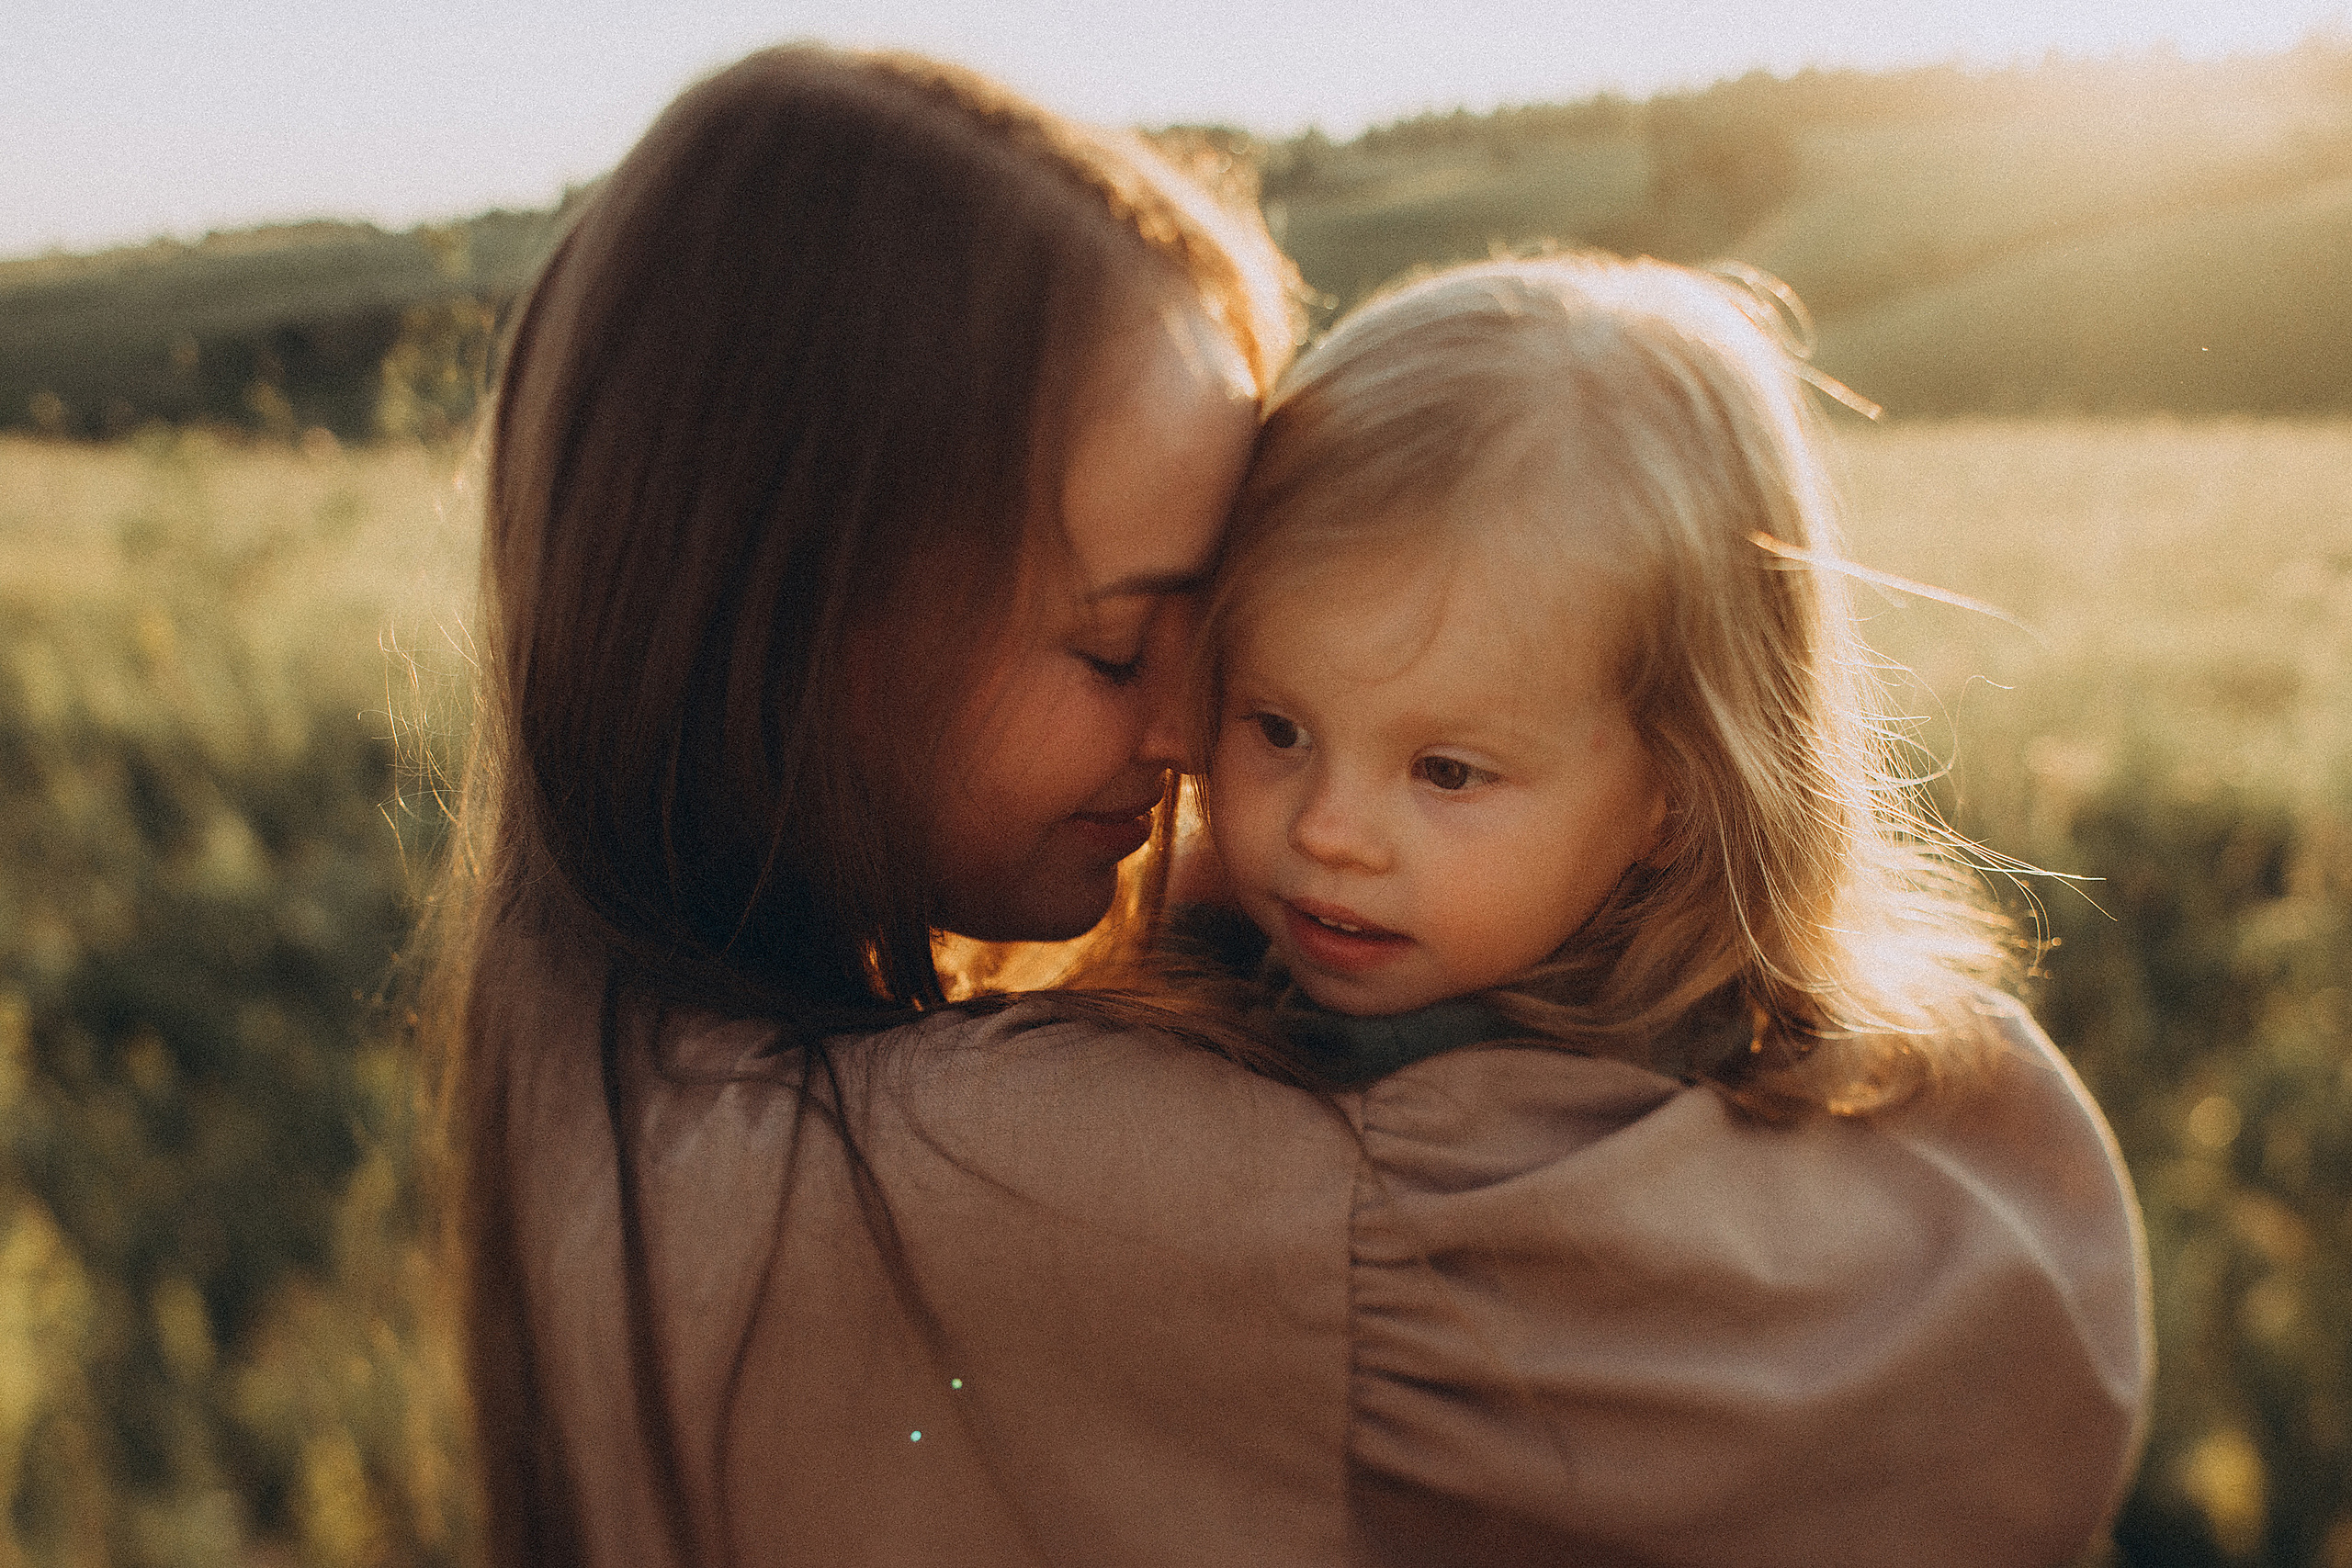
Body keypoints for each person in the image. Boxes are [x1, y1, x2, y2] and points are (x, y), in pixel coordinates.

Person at [432, 43, 2150, 1568]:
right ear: (801, 625)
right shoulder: (1084, 1190)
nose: (1197, 740)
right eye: (1119, 646)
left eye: (1220, 636)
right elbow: (2016, 1327)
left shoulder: (612, 1078)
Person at [1175, 253, 2045, 1117]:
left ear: (1678, 794)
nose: (1325, 831)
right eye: (1280, 729)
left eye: (1446, 771)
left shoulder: (1523, 1126)